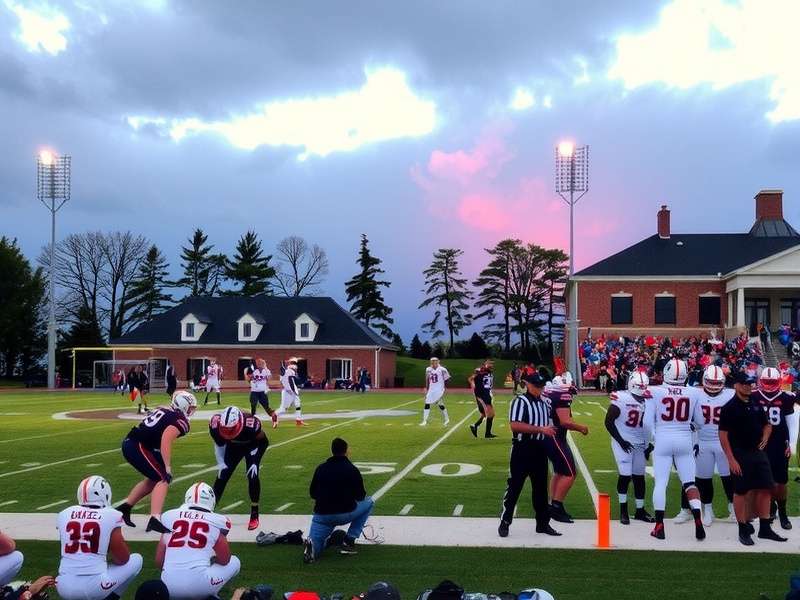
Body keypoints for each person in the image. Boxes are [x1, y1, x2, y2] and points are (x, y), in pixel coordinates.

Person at [719, 371, 788, 546]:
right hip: (740, 453)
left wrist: (766, 435)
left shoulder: (756, 402)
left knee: (766, 488)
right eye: (744, 384)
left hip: (758, 453)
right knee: (741, 491)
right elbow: (723, 435)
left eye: (750, 384)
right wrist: (731, 459)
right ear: (736, 385)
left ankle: (765, 528)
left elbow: (767, 424)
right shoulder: (729, 408)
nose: (748, 387)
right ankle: (742, 528)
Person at [118, 391, 196, 533]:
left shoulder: (165, 409)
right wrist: (167, 467)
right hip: (138, 445)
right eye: (190, 407)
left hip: (136, 442)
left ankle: (125, 508)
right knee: (163, 478)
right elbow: (165, 440)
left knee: (154, 478)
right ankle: (154, 519)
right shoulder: (180, 421)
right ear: (184, 405)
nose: (192, 411)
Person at [644, 358, 706, 540]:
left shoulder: (653, 391)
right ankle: (698, 521)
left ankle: (659, 526)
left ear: (666, 372)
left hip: (663, 438)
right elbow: (700, 422)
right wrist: (689, 427)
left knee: (661, 483)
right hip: (684, 439)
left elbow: (647, 423)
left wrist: (655, 437)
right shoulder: (694, 393)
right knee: (689, 483)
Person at [56, 476, 143, 600]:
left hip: (63, 584)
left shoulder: (64, 514)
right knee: (136, 560)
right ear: (105, 494)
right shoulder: (111, 515)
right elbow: (123, 559)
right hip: (93, 587)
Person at [498, 372, 560, 538]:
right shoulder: (520, 401)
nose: (540, 389)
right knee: (514, 487)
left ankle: (542, 524)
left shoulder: (544, 404)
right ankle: (505, 522)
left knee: (540, 489)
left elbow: (549, 424)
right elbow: (515, 425)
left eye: (542, 386)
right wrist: (541, 429)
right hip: (522, 448)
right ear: (528, 385)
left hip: (540, 448)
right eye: (537, 386)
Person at [158, 482, 241, 599]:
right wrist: (212, 559)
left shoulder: (169, 517)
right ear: (211, 501)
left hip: (167, 587)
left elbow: (159, 560)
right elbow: (225, 560)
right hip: (199, 587)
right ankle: (211, 594)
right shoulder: (217, 521)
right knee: (234, 561)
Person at [303, 438, 374, 563]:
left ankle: (313, 547)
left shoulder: (321, 468)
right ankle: (349, 539)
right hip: (344, 513)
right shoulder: (352, 469)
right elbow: (360, 496)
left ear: (332, 451)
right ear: (346, 451)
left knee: (316, 543)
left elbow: (313, 493)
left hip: (321, 515)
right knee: (369, 502)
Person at [604, 371, 655, 524]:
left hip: (640, 443)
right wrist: (620, 440)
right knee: (625, 476)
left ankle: (640, 511)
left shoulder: (650, 400)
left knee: (639, 477)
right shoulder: (621, 398)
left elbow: (651, 423)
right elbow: (608, 422)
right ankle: (623, 511)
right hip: (624, 442)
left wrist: (649, 444)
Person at [752, 366, 798, 530]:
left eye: (772, 382)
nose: (769, 385)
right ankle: (770, 509)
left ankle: (783, 512)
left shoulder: (786, 397)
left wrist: (791, 443)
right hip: (760, 444)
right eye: (767, 381)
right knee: (764, 480)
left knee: (781, 482)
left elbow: (792, 422)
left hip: (779, 443)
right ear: (760, 381)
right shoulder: (753, 396)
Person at [210, 406, 269, 531]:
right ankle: (208, 512)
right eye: (225, 429)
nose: (228, 432)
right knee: (222, 476)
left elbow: (264, 442)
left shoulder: (251, 425)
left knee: (252, 476)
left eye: (231, 428)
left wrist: (256, 461)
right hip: (232, 448)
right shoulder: (215, 425)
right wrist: (220, 462)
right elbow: (219, 445)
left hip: (251, 446)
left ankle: (254, 513)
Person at [543, 374, 588, 524]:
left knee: (560, 472)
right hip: (556, 437)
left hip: (551, 436)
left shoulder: (549, 392)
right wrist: (581, 428)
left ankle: (552, 504)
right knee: (569, 473)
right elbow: (564, 422)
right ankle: (556, 506)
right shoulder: (562, 395)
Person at [695, 365, 736, 526]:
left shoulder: (731, 394)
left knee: (729, 478)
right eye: (709, 381)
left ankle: (733, 509)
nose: (712, 385)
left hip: (724, 442)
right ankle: (708, 510)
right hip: (703, 441)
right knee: (704, 479)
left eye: (716, 382)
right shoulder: (695, 393)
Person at [468, 360, 496, 438]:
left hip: (486, 394)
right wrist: (473, 384)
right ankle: (487, 433)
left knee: (485, 414)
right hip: (482, 395)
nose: (491, 365)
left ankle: (475, 426)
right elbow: (471, 378)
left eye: (492, 364)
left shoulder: (488, 372)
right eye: (489, 363)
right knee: (491, 414)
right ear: (485, 364)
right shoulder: (480, 371)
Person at [246, 358, 277, 427]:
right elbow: (248, 379)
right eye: (259, 363)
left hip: (262, 392)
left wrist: (266, 371)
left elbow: (269, 379)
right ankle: (252, 419)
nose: (260, 364)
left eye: (262, 363)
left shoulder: (266, 370)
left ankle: (274, 419)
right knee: (253, 404)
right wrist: (251, 376)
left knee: (267, 407)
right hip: (254, 391)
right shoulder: (252, 370)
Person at [421, 357, 450, 426]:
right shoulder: (428, 369)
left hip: (439, 389)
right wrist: (426, 388)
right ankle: (424, 421)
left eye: (435, 361)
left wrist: (444, 389)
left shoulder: (442, 369)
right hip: (431, 389)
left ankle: (446, 418)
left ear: (438, 361)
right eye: (432, 361)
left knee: (440, 404)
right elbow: (427, 379)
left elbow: (447, 379)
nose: (434, 362)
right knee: (427, 403)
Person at [277, 358, 305, 426]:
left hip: (292, 390)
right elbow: (289, 381)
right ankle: (275, 415)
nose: (295, 370)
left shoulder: (288, 372)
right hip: (289, 391)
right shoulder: (288, 372)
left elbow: (291, 380)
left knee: (297, 405)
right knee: (284, 408)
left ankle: (298, 420)